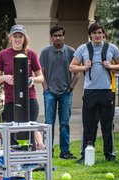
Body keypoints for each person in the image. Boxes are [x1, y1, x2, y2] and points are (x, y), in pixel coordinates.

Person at [69, 23, 119, 162]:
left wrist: (111, 66)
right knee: (89, 124)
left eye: (100, 32)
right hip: (90, 91)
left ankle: (109, 155)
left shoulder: (112, 48)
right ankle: (85, 155)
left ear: (104, 34)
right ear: (90, 35)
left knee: (107, 123)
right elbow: (72, 67)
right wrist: (84, 67)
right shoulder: (83, 48)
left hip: (106, 91)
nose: (97, 35)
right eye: (94, 33)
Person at [0, 24, 44, 148]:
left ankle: (31, 162)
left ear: (24, 38)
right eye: (15, 36)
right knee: (13, 133)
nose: (17, 39)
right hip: (11, 100)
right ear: (10, 38)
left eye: (20, 36)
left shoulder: (31, 54)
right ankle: (14, 164)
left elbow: (41, 77)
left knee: (30, 132)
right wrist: (4, 77)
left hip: (29, 99)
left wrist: (33, 79)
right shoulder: (3, 55)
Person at [39, 25, 79, 159]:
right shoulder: (45, 52)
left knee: (64, 122)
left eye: (60, 35)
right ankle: (47, 150)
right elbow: (41, 73)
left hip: (65, 93)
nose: (58, 38)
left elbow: (77, 74)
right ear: (52, 37)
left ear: (63, 36)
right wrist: (45, 88)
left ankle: (65, 151)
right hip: (50, 92)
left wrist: (71, 88)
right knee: (49, 122)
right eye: (55, 35)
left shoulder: (71, 51)